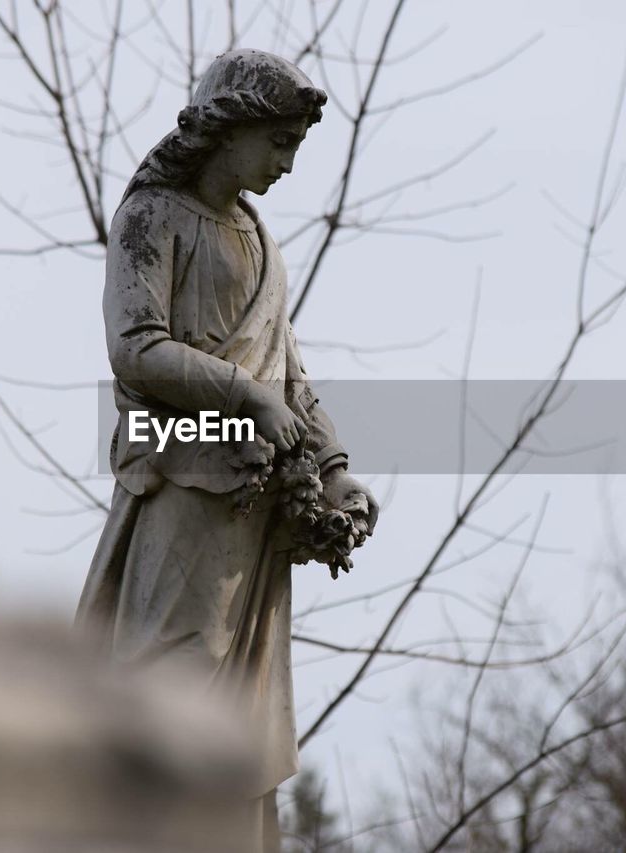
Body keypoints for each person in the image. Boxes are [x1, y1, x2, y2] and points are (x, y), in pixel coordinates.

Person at [77, 49, 379, 848]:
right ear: (232, 127)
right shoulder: (151, 217)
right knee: (171, 689)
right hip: (184, 483)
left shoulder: (257, 235)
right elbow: (136, 347)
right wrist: (241, 396)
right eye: (278, 143)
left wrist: (335, 465)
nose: (285, 163)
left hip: (253, 513)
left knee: (238, 718)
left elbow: (289, 369)